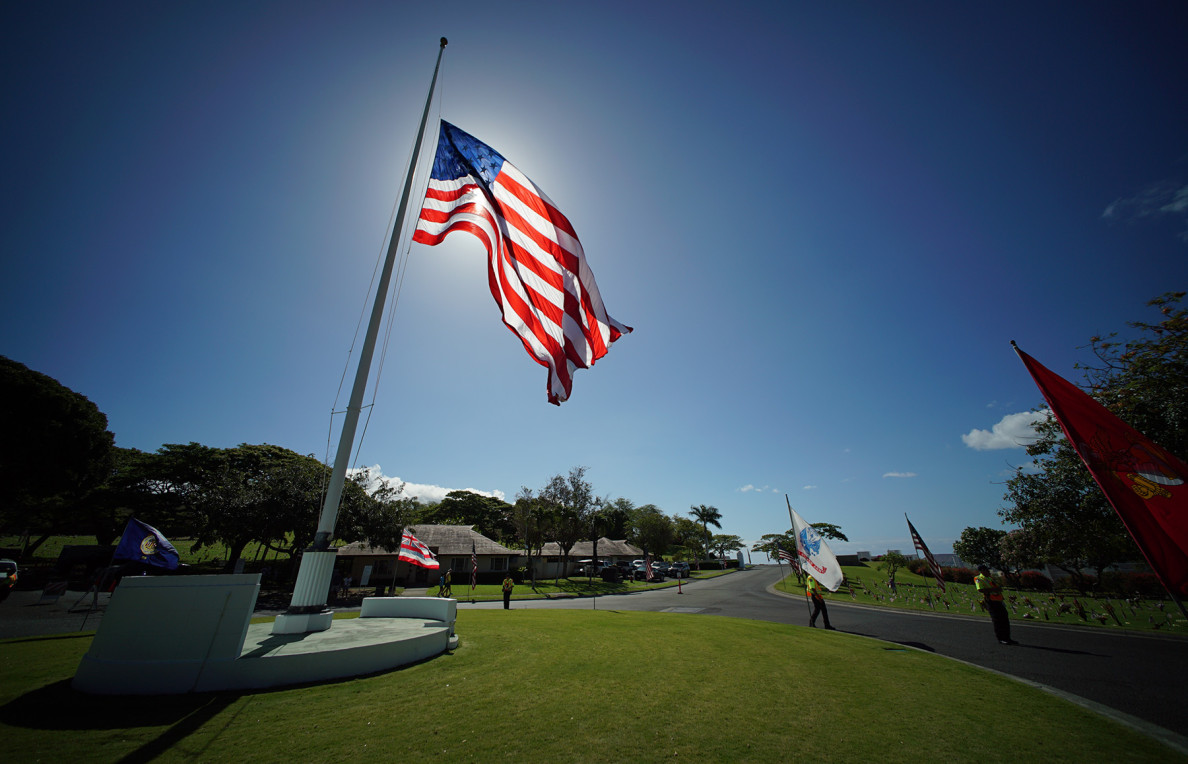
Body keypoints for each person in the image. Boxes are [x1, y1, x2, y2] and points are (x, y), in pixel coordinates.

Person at [976, 565, 1017, 645]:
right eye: (986, 570)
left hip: (998, 600)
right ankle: (1001, 638)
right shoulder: (979, 579)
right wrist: (995, 589)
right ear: (982, 571)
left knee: (1004, 619)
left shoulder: (990, 578)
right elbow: (980, 589)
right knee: (997, 620)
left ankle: (1007, 638)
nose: (988, 571)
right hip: (991, 601)